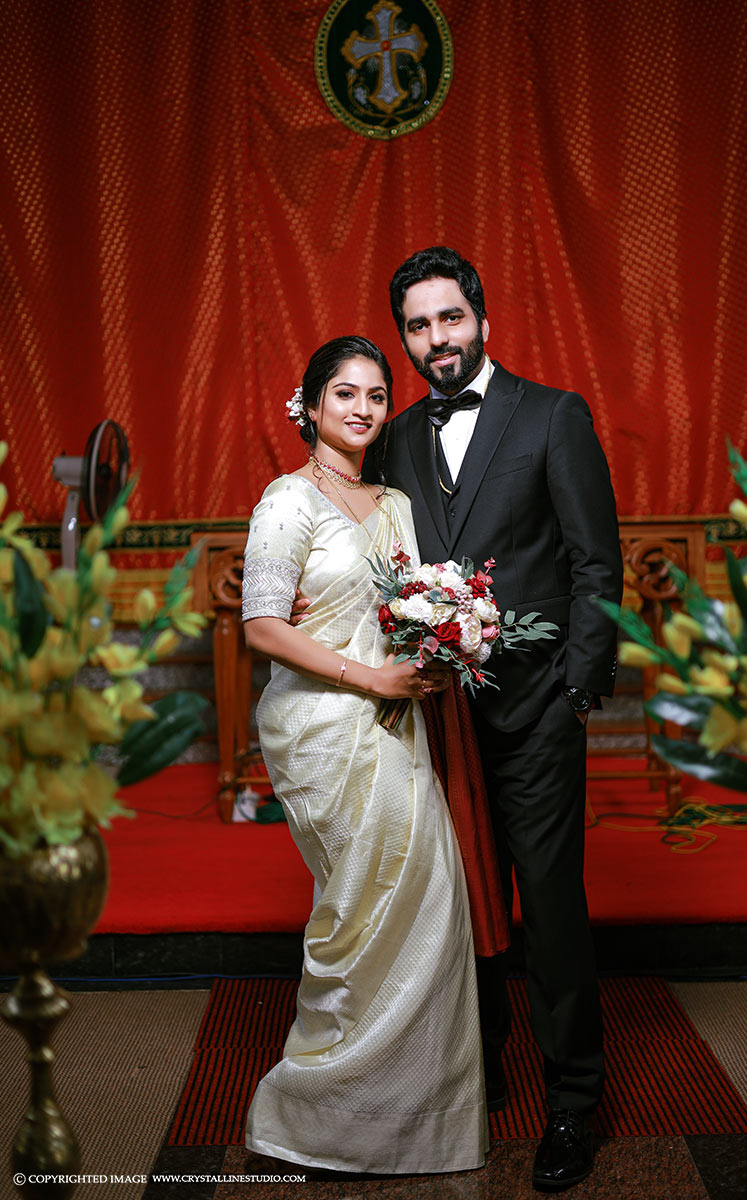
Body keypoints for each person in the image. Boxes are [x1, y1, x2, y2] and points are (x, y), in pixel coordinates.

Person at [363, 247, 623, 1191]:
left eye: (450, 318)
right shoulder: (395, 437)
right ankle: (481, 1063)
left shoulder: (553, 415)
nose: (437, 339)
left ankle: (573, 1100)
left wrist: (577, 689)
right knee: (457, 904)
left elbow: (596, 560)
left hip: (537, 707)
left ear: (481, 319)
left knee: (549, 909)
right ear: (405, 340)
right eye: (419, 326)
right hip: (436, 720)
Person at [241, 335, 488, 1176]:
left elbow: (411, 611)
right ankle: (316, 1112)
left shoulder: (396, 505)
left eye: (377, 396)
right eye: (344, 393)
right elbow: (262, 626)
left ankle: (409, 1121)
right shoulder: (287, 500)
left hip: (397, 721)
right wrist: (370, 677)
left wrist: (447, 639)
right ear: (309, 405)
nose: (362, 408)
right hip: (321, 728)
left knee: (429, 898)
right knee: (356, 911)